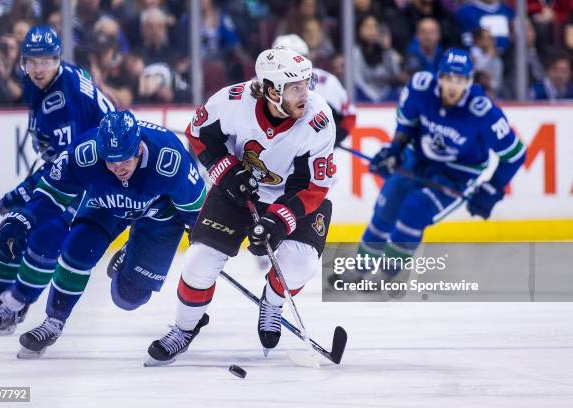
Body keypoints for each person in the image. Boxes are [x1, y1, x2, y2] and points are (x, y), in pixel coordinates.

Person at [143, 47, 337, 366]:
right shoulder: (233, 101)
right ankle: (183, 329)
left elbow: (314, 186)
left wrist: (278, 221)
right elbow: (199, 134)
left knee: (301, 264)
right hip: (238, 191)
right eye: (296, 87)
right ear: (272, 90)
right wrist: (227, 172)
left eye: (307, 84)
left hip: (293, 198)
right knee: (198, 261)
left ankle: (272, 304)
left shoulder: (317, 120)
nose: (306, 93)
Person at [0, 111, 206, 358]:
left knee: (127, 297)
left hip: (158, 216)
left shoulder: (170, 159)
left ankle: (132, 250)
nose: (118, 168)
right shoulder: (85, 154)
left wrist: (203, 236)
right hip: (106, 205)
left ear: (138, 148)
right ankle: (53, 322)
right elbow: (51, 196)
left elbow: (197, 211)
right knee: (76, 249)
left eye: (125, 159)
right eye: (110, 161)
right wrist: (22, 221)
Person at [0, 25, 115, 334]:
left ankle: (16, 305)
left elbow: (66, 165)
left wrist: (22, 190)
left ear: (58, 59)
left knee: (46, 233)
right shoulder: (41, 80)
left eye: (46, 60)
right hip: (77, 162)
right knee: (15, 226)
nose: (38, 67)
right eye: (32, 61)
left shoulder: (63, 98)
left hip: (96, 172)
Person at [353, 48, 526, 284]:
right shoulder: (420, 88)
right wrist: (394, 151)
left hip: (458, 175)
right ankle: (359, 268)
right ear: (439, 77)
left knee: (414, 210)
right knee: (387, 205)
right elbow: (407, 125)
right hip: (418, 158)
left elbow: (515, 154)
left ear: (469, 81)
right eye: (448, 78)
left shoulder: (483, 111)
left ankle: (386, 274)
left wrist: (493, 188)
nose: (453, 86)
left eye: (460, 80)